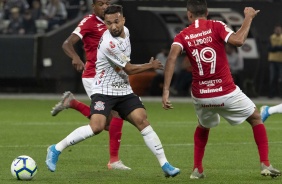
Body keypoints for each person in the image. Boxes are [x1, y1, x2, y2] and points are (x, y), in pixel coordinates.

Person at [46, 4, 180, 177]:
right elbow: (129, 69)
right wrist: (150, 65)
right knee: (97, 127)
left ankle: (166, 165)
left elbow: (124, 67)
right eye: (109, 23)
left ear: (123, 19)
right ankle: (56, 149)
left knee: (142, 120)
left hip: (123, 89)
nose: (113, 26)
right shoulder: (108, 42)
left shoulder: (128, 32)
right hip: (103, 89)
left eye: (116, 21)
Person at [162, 0, 280, 179]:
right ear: (207, 12)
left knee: (203, 125)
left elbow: (171, 59)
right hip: (225, 91)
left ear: (189, 14)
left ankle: (197, 169)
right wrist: (248, 17)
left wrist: (166, 91)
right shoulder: (216, 25)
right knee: (256, 118)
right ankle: (265, 163)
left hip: (201, 96)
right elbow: (239, 41)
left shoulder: (183, 35)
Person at [50, 0, 131, 170]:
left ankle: (73, 103)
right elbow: (67, 43)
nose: (105, 6)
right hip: (94, 77)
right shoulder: (89, 22)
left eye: (107, 2)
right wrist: (75, 57)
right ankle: (114, 161)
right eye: (100, 3)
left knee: (107, 124)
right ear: (93, 6)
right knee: (113, 118)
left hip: (111, 77)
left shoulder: (115, 22)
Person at [267, 25, 282, 98]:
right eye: (277, 29)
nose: (278, 31)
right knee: (272, 78)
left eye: (279, 29)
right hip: (272, 60)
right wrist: (278, 48)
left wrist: (276, 47)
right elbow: (270, 48)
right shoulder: (271, 37)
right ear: (274, 30)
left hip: (280, 61)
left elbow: (275, 48)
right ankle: (271, 94)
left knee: (280, 78)